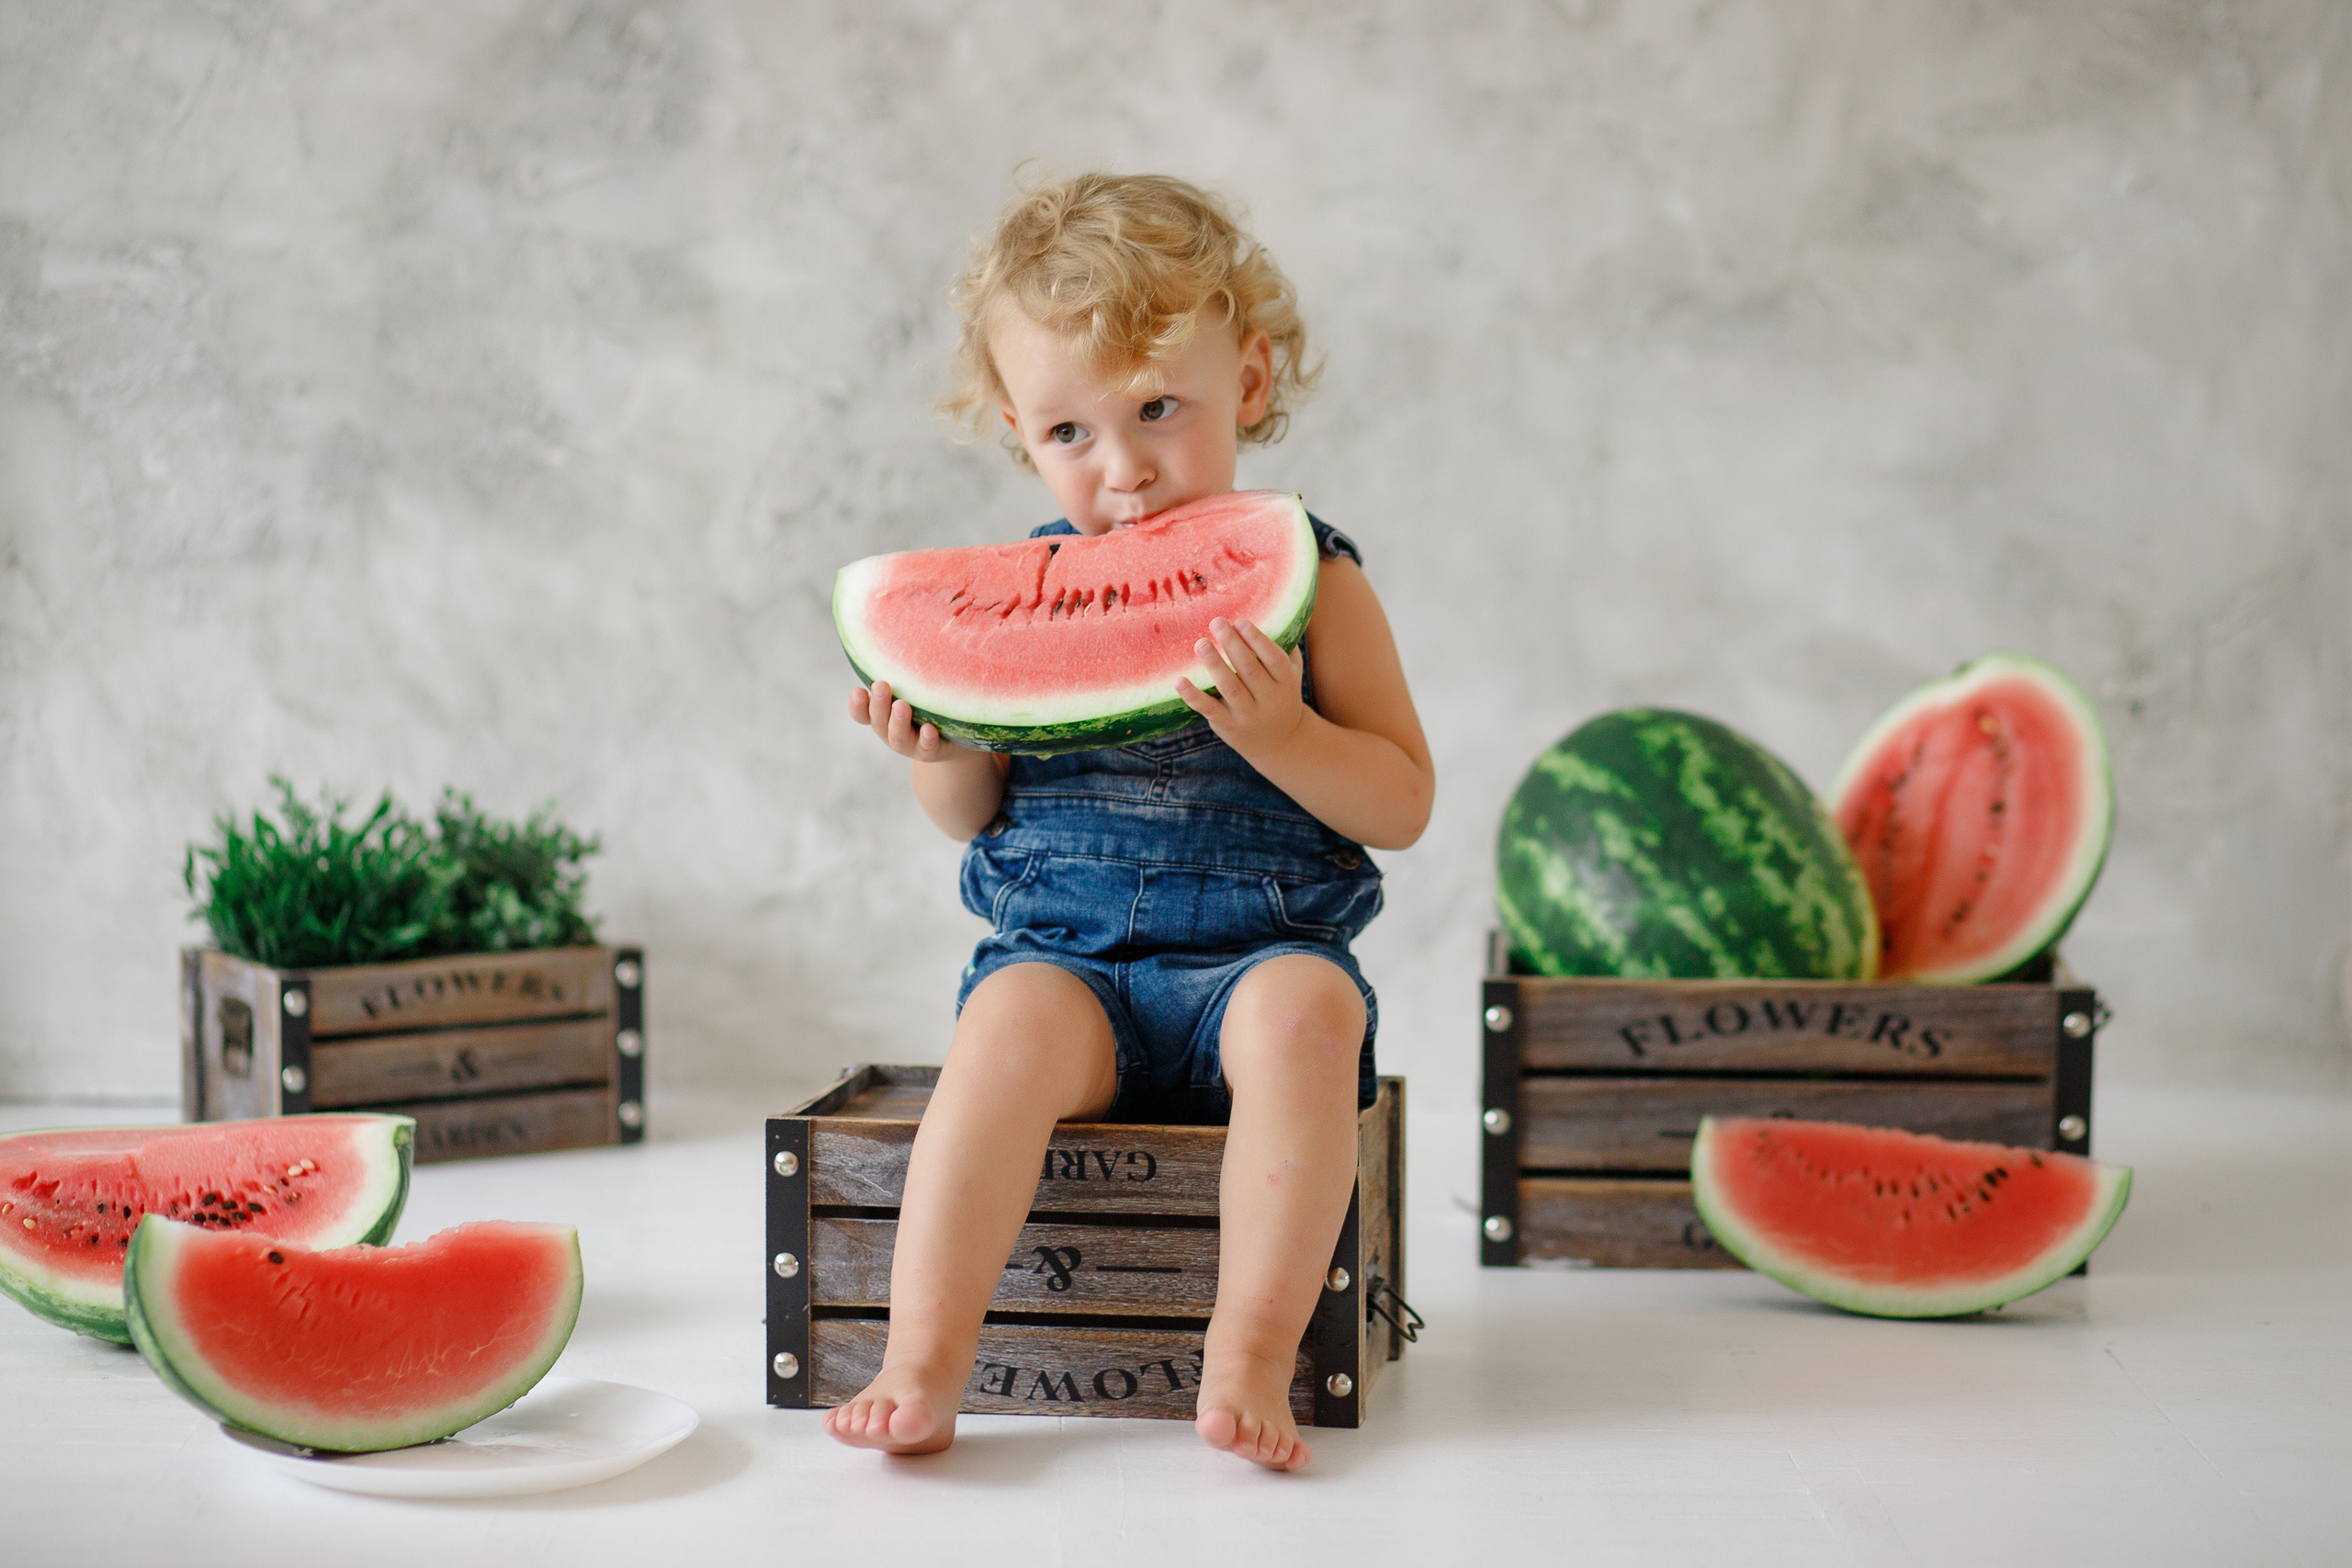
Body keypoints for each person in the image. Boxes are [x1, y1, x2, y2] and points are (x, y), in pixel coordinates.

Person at [828, 173, 1433, 1472]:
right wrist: (944, 749)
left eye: (1158, 408)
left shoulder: (1320, 583)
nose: (1125, 472)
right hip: (1070, 969)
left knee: (1311, 1018)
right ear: (1018, 432)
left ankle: (1251, 1353)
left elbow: (1402, 802)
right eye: (1070, 432)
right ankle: (922, 1360)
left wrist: (1286, 736)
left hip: (1260, 962)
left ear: (1249, 381)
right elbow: (968, 819)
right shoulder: (1021, 597)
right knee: (998, 1031)